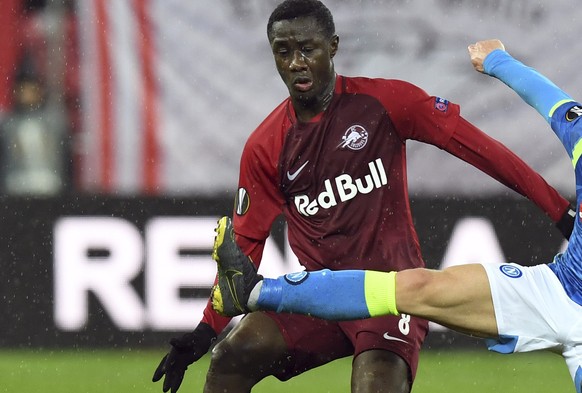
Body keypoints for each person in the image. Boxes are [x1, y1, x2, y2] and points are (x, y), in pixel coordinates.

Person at [152, 0, 575, 391]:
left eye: (308, 48)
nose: (297, 62)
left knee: (374, 385)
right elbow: (243, 250)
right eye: (283, 51)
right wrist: (206, 330)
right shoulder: (266, 146)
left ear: (333, 47)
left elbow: (482, 151)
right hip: (321, 296)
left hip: (395, 295)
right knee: (231, 355)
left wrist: (559, 211)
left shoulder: (386, 102)